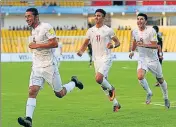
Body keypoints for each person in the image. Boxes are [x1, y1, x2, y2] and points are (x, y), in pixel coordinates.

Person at [18, 8, 84, 127]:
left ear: (36, 17)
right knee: (32, 91)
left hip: (49, 66)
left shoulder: (46, 26)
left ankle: (74, 82)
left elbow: (54, 43)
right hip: (37, 67)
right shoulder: (33, 30)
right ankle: (28, 119)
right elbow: (37, 49)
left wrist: (37, 45)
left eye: (29, 16)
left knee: (59, 93)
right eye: (25, 17)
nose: (26, 19)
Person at [77, 9, 121, 112]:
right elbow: (85, 43)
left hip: (106, 57)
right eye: (96, 15)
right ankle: (116, 104)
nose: (97, 17)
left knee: (98, 78)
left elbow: (118, 42)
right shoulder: (90, 31)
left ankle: (112, 88)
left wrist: (113, 45)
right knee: (102, 84)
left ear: (103, 18)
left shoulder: (108, 30)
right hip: (96, 59)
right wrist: (81, 51)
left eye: (99, 16)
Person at [129, 13, 170, 108]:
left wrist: (143, 45)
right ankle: (149, 92)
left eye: (142, 19)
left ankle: (166, 97)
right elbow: (135, 41)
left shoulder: (151, 31)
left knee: (160, 79)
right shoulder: (134, 31)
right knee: (140, 76)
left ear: (146, 21)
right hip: (142, 59)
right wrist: (132, 51)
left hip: (153, 60)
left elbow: (155, 45)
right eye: (138, 19)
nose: (139, 21)